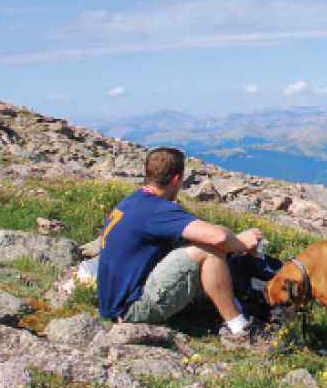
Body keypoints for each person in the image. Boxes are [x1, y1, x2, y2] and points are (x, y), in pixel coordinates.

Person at [96, 146, 270, 348]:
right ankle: (240, 329)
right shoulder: (156, 209)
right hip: (130, 310)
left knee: (201, 244)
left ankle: (232, 307)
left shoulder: (135, 201)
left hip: (115, 302)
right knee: (208, 250)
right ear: (176, 180)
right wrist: (241, 243)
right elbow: (219, 237)